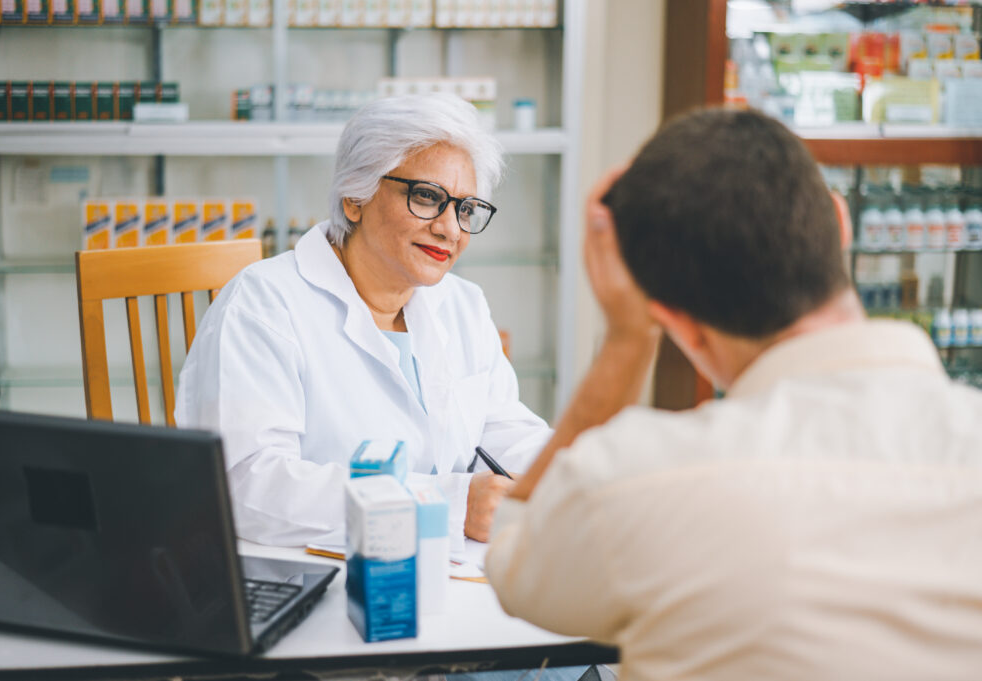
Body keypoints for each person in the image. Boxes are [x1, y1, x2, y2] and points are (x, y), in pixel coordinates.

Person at [486, 108, 982, 680]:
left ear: (670, 318)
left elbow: (518, 564)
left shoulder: (635, 480)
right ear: (840, 225)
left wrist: (626, 340)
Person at [175, 94, 550, 550]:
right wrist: (446, 504)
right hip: (314, 571)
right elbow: (248, 486)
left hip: (441, 565)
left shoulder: (462, 304)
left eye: (465, 208)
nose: (451, 229)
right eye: (428, 197)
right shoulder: (263, 304)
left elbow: (502, 428)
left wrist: (573, 479)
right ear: (355, 197)